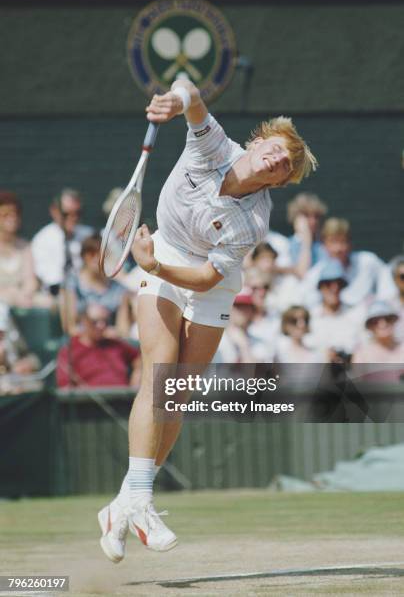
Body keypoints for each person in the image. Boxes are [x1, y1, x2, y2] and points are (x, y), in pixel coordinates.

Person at [97, 79, 317, 562]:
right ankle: (142, 500)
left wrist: (153, 266)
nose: (277, 160)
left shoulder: (253, 221)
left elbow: (201, 278)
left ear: (279, 182)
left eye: (285, 166)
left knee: (176, 393)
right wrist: (173, 102)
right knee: (160, 370)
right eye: (276, 150)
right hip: (163, 251)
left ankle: (123, 504)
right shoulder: (212, 144)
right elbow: (190, 91)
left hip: (205, 278)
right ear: (258, 141)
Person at [60, 234, 132, 337]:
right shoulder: (71, 284)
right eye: (91, 254)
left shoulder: (119, 290)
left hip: (109, 345)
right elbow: (70, 327)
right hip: (82, 345)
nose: (96, 258)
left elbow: (123, 331)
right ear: (83, 256)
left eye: (101, 254)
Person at [302, 218, 385, 307]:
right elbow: (310, 305)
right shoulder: (314, 275)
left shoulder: (368, 261)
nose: (338, 248)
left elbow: (387, 283)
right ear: (324, 244)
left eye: (343, 241)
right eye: (333, 242)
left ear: (350, 243)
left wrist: (379, 302)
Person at [56, 304, 141, 388]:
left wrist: (135, 382)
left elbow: (140, 359)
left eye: (105, 321)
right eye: (95, 322)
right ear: (84, 321)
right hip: (91, 399)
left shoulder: (116, 344)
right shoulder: (71, 349)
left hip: (122, 397)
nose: (101, 326)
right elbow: (64, 386)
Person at [31, 189, 93, 294]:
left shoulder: (88, 235)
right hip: (57, 294)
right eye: (66, 213)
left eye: (77, 213)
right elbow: (49, 279)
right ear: (54, 211)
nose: (73, 218)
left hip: (90, 292)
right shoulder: (42, 240)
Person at [307, 260, 367, 361]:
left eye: (338, 283)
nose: (334, 288)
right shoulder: (309, 317)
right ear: (320, 287)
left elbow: (366, 344)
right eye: (328, 284)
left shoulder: (356, 313)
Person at [0, 191, 37, 308]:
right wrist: (11, 296)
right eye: (6, 214)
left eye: (15, 214)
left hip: (23, 300)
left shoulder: (25, 246)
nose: (12, 218)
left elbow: (31, 281)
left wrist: (24, 294)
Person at [286, 192, 328, 277]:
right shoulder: (285, 245)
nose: (313, 221)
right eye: (306, 215)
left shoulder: (324, 245)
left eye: (316, 216)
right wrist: (306, 239)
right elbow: (302, 273)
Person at [352, 301, 404, 365]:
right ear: (370, 326)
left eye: (387, 318)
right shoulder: (362, 354)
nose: (383, 324)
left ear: (393, 321)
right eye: (375, 321)